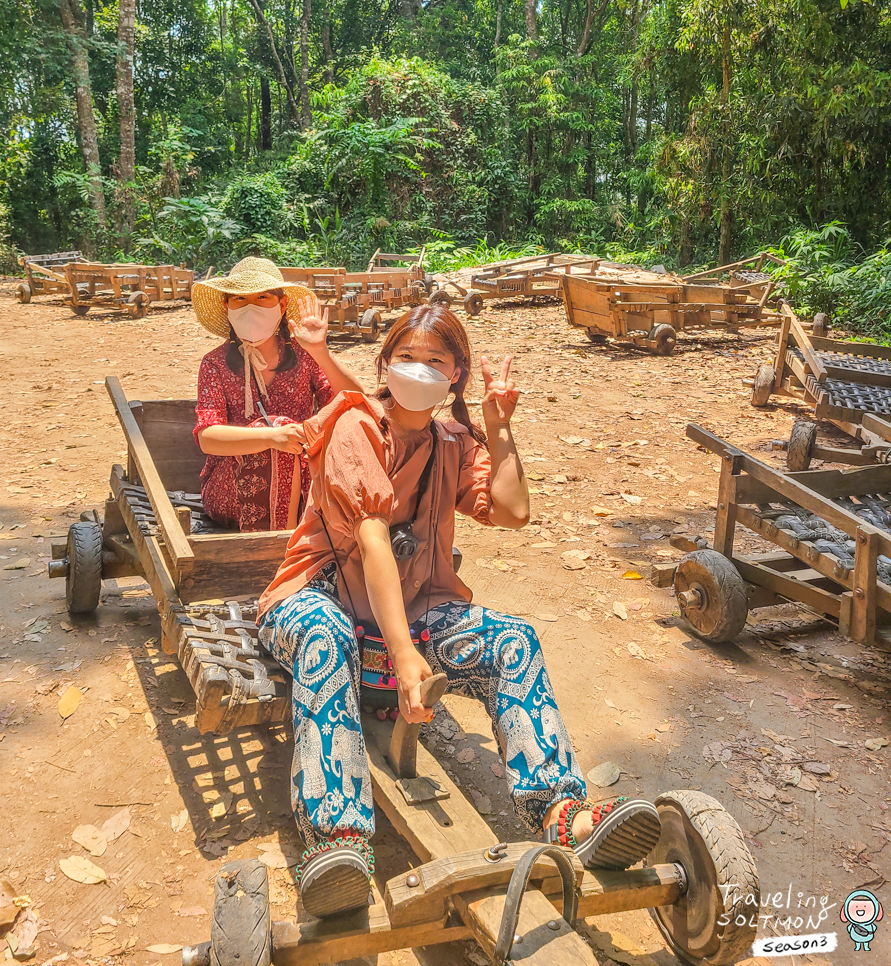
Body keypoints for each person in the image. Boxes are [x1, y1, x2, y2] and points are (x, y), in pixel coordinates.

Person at [257, 304, 662, 919]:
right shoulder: (353, 426)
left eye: (435, 361)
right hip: (319, 598)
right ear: (384, 365)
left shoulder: (453, 440)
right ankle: (336, 841)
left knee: (513, 641)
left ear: (457, 376)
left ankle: (561, 811)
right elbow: (371, 540)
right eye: (407, 358)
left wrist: (499, 430)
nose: (419, 370)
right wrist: (402, 652)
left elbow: (512, 511)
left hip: (417, 611)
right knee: (324, 634)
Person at [191, 257, 364, 531]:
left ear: (281, 306)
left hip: (306, 482)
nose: (250, 308)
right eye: (239, 299)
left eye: (262, 297)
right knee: (277, 431)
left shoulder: (305, 355)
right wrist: (273, 438)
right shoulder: (215, 363)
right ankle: (277, 545)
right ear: (227, 307)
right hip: (231, 491)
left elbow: (355, 400)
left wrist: (321, 352)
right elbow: (208, 438)